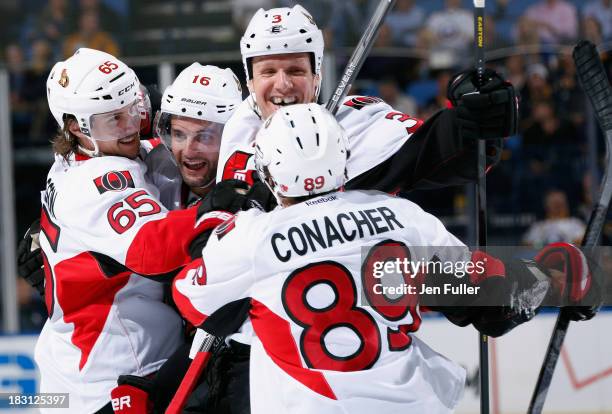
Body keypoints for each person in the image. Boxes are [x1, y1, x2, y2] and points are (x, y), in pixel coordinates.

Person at [173, 104, 598, 413]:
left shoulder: (251, 237)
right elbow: (485, 296)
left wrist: (217, 216)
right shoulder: (399, 214)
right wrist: (549, 279)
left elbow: (192, 299)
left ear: (266, 171)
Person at [34, 48, 238, 413]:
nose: (130, 125)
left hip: (82, 368)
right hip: (109, 377)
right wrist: (216, 208)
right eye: (114, 118)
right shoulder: (94, 181)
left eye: (134, 107)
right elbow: (152, 248)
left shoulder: (92, 156)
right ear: (78, 127)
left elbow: (157, 148)